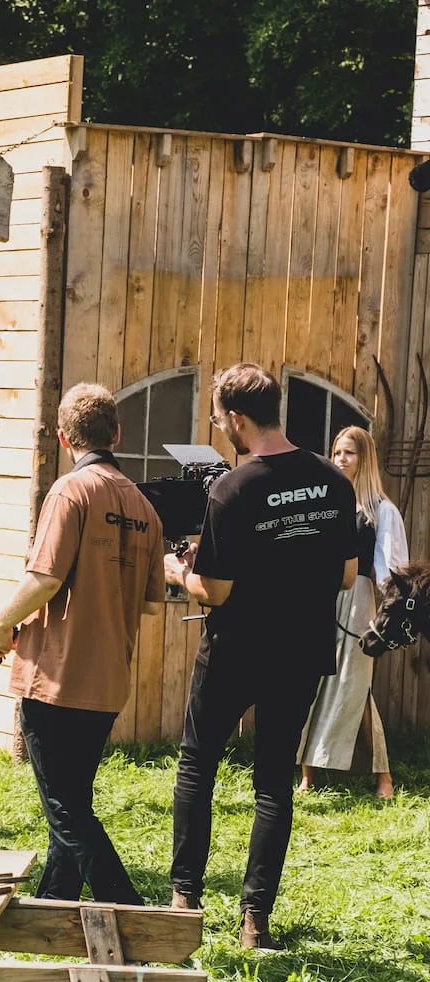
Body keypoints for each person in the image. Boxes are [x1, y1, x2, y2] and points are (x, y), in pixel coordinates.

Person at [164, 363, 358, 950]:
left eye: (220, 419)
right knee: (273, 784)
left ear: (237, 419)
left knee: (198, 766)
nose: (220, 427)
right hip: (300, 651)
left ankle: (184, 902)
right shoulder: (334, 482)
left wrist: (179, 572)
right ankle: (255, 922)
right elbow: (347, 576)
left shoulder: (232, 489)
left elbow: (216, 591)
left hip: (235, 651)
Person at [0, 383, 165, 905]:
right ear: (117, 434)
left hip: (56, 678)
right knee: (71, 803)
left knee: (65, 808)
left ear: (65, 439)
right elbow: (151, 605)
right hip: (108, 681)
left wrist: (0, 627)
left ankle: (130, 910)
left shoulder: (70, 492)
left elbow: (44, 579)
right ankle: (54, 906)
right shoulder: (146, 508)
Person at [297, 426, 407, 799]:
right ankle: (308, 775)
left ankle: (383, 777)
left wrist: (387, 616)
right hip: (319, 598)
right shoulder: (327, 504)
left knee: (354, 684)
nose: (340, 459)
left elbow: (390, 568)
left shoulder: (381, 511)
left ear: (365, 458)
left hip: (359, 601)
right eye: (337, 452)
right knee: (313, 680)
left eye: (349, 453)